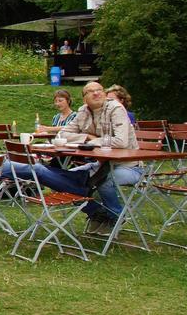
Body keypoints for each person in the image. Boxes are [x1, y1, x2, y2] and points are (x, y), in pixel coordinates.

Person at [33, 81, 138, 236]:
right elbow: (63, 134)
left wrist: (91, 141)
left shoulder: (116, 108)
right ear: (84, 99)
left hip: (128, 166)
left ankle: (116, 215)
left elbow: (121, 142)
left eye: (99, 90)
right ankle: (96, 212)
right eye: (90, 91)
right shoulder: (83, 111)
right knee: (65, 179)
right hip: (99, 165)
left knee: (105, 180)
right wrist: (87, 136)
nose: (96, 93)